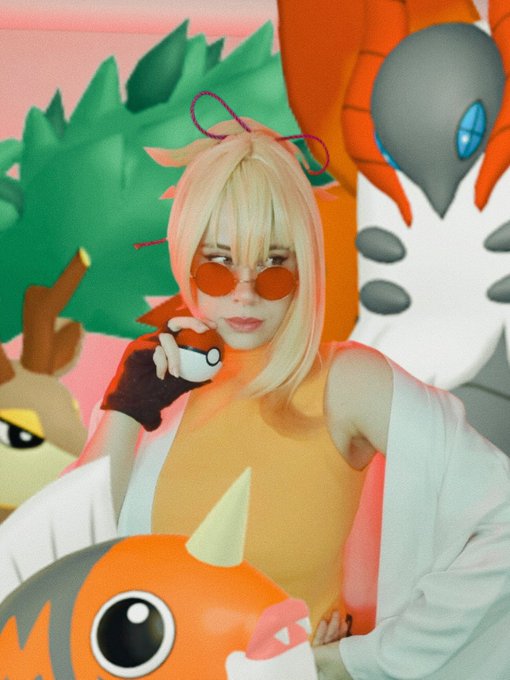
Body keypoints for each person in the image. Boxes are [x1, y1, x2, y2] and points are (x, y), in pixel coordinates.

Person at [3, 92, 510, 679]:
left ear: (304, 266)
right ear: (187, 260)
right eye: (219, 265)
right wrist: (122, 411)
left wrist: (360, 660)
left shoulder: (347, 383)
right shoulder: (159, 384)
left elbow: (501, 519)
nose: (244, 294)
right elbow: (63, 564)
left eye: (273, 266)